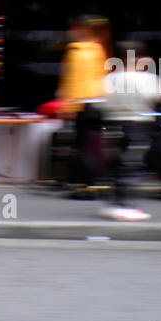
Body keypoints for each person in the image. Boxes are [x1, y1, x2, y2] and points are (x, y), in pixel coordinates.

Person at [100, 41, 161, 221]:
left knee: (115, 163)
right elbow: (157, 96)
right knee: (131, 165)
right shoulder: (148, 79)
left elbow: (101, 101)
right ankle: (125, 205)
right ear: (139, 58)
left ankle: (112, 203)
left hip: (112, 123)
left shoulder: (108, 78)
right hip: (138, 124)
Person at [55, 14, 111, 197]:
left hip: (82, 104)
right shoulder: (99, 49)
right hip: (98, 103)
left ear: (82, 29)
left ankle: (85, 186)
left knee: (82, 146)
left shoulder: (76, 51)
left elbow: (73, 81)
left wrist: (68, 105)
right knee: (92, 144)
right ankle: (91, 183)